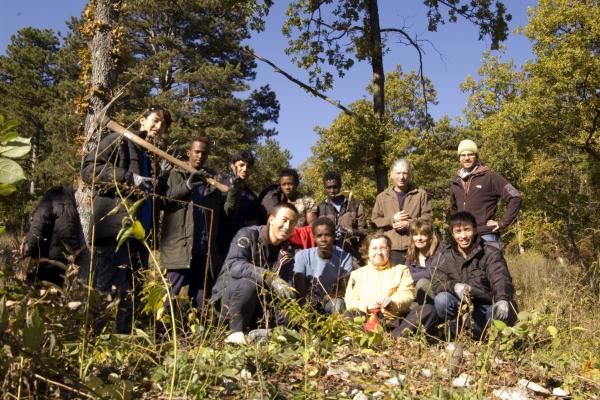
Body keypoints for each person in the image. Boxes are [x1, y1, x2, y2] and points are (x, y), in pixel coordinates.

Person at [81, 105, 171, 334]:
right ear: (142, 120)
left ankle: (122, 343)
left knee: (133, 293)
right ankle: (93, 342)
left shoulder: (151, 157)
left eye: (163, 125)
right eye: (155, 120)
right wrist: (128, 178)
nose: (158, 127)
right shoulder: (120, 139)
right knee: (106, 291)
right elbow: (89, 169)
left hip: (140, 237)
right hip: (115, 232)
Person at [211, 203, 299, 336]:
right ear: (272, 219)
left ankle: (272, 334)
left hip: (260, 307)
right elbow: (234, 265)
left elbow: (285, 284)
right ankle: (234, 335)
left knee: (289, 300)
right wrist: (269, 277)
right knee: (249, 284)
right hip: (229, 300)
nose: (287, 227)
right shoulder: (248, 234)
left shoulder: (287, 252)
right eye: (284, 220)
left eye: (292, 223)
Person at [160, 138, 224, 314]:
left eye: (204, 152)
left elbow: (223, 210)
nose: (200, 155)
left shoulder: (212, 182)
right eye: (197, 151)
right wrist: (187, 185)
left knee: (200, 300)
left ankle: (194, 338)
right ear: (189, 152)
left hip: (203, 249)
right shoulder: (175, 174)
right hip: (180, 246)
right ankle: (161, 335)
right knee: (170, 294)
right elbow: (164, 199)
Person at [433, 211, 517, 340]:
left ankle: (495, 346)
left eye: (467, 230)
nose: (463, 236)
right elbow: (437, 282)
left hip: (486, 310)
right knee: (441, 299)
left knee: (505, 308)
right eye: (458, 231)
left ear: (475, 229)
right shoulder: (446, 255)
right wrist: (454, 286)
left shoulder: (490, 253)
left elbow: (500, 278)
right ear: (452, 233)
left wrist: (502, 299)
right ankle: (453, 339)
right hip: (462, 312)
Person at [344, 233, 438, 336]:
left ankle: (393, 338)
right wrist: (367, 306)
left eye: (383, 248)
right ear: (367, 251)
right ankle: (368, 338)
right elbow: (350, 301)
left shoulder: (401, 270)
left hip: (396, 321)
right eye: (374, 248)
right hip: (367, 318)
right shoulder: (357, 274)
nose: (379, 252)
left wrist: (391, 303)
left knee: (428, 309)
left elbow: (407, 295)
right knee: (349, 314)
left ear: (389, 250)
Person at [450, 139, 521, 249]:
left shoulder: (490, 177)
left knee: (493, 266)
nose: (466, 158)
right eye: (463, 155)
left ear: (476, 156)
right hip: (463, 239)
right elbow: (454, 210)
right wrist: (457, 230)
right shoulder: (455, 183)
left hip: (486, 236)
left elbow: (515, 196)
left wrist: (502, 223)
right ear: (459, 158)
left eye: (470, 154)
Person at [371, 159, 432, 265]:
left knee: (414, 278)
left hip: (414, 245)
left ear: (409, 175)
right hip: (391, 247)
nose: (401, 177)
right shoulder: (382, 197)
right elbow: (375, 221)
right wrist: (392, 220)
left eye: (405, 173)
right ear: (392, 175)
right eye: (398, 173)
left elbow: (428, 218)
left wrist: (410, 224)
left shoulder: (420, 194)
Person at [23, 185, 84, 287]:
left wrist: (30, 252)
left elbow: (37, 227)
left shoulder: (52, 197)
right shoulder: (77, 200)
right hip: (68, 260)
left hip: (47, 259)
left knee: (38, 293)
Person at [293, 217, 353, 314]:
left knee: (338, 305)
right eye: (319, 236)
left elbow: (342, 288)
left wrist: (329, 297)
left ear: (334, 236)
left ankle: (335, 328)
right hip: (309, 300)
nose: (323, 239)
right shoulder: (302, 256)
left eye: (327, 235)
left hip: (331, 300)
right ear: (314, 238)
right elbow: (300, 289)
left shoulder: (345, 257)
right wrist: (311, 302)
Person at [217, 150, 261, 259]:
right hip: (213, 245)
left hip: (235, 248)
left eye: (248, 166)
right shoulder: (219, 186)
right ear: (232, 166)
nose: (245, 169)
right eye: (241, 165)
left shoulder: (251, 197)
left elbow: (252, 227)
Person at [316, 171, 367, 262]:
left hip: (353, 256)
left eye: (335, 187)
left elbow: (364, 232)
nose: (332, 191)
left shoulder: (355, 205)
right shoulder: (320, 208)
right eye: (329, 188)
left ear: (340, 186)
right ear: (324, 188)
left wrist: (351, 233)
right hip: (329, 257)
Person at [404, 219, 443, 306]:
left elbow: (433, 273)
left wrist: (410, 277)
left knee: (422, 283)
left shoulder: (440, 250)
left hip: (438, 293)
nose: (419, 238)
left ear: (430, 236)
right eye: (415, 235)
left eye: (423, 234)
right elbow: (406, 275)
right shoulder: (411, 254)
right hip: (417, 296)